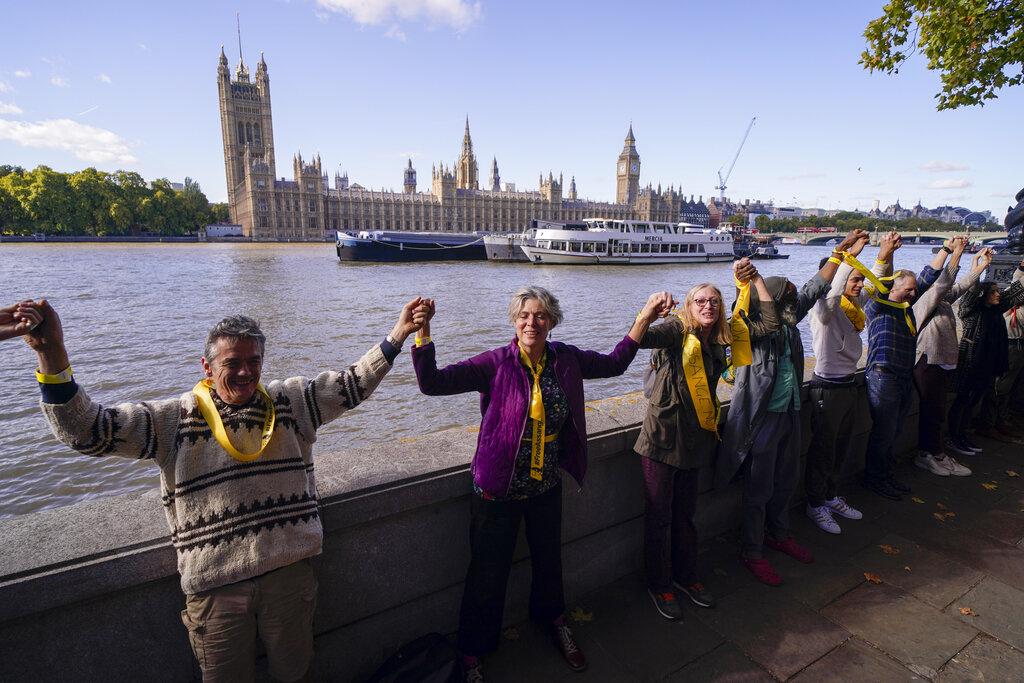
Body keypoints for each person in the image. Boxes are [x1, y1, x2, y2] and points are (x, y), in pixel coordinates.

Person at [24, 297, 428, 683]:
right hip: (216, 589)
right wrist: (53, 355)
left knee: (298, 675)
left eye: (254, 362)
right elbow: (87, 431)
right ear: (206, 366)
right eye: (232, 363)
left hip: (288, 578)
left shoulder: (290, 402)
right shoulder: (173, 419)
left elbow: (353, 383)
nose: (245, 373)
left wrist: (399, 333)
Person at [411, 286, 670, 682]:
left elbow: (615, 364)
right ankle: (471, 654)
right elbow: (432, 383)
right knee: (486, 575)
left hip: (545, 485)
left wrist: (646, 316)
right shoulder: (495, 363)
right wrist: (423, 333)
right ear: (515, 321)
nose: (532, 322)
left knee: (550, 564)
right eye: (525, 316)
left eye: (541, 315)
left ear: (552, 320)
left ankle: (554, 622)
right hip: (497, 489)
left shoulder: (564, 359)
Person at [718, 230, 869, 586]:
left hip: (790, 411)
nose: (791, 298)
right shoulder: (748, 327)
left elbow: (815, 288)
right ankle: (752, 549)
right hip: (762, 418)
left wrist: (840, 253)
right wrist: (748, 280)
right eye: (783, 293)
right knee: (758, 487)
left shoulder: (788, 322)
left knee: (785, 481)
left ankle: (780, 534)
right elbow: (759, 310)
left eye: (788, 293)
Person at [635, 260, 769, 618]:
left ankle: (686, 577)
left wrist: (753, 280)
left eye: (714, 301)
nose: (708, 306)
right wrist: (649, 310)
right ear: (688, 308)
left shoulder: (724, 337)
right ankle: (659, 585)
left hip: (696, 441)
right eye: (701, 301)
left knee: (686, 517)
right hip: (662, 442)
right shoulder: (676, 332)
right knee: (659, 519)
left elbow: (769, 323)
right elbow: (640, 339)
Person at [804, 231, 878, 534]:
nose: (860, 286)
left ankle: (831, 496)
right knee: (823, 450)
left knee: (843, 447)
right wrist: (849, 256)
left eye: (859, 281)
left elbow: (878, 283)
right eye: (854, 280)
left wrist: (884, 253)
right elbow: (832, 292)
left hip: (849, 384)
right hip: (828, 387)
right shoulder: (823, 309)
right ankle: (815, 504)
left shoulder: (852, 306)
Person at [861, 233, 942, 501]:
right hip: (883, 378)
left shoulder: (905, 308)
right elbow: (882, 284)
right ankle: (875, 478)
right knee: (883, 433)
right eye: (907, 289)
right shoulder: (877, 307)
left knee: (894, 432)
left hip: (903, 377)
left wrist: (946, 249)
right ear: (893, 289)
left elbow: (928, 278)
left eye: (913, 290)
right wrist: (887, 252)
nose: (912, 293)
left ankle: (885, 473)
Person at [911, 237, 980, 475]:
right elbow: (943, 285)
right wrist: (956, 254)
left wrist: (979, 265)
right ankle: (930, 454)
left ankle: (937, 453)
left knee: (938, 411)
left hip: (945, 362)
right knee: (933, 411)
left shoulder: (942, 302)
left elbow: (957, 287)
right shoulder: (921, 302)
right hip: (929, 361)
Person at [947, 250, 1024, 449]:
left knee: (973, 400)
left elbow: (1018, 290)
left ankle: (961, 435)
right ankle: (953, 437)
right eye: (993, 292)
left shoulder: (996, 309)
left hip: (987, 362)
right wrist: (978, 264)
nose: (998, 294)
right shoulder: (971, 312)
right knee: (963, 400)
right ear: (983, 296)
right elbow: (970, 293)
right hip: (971, 361)